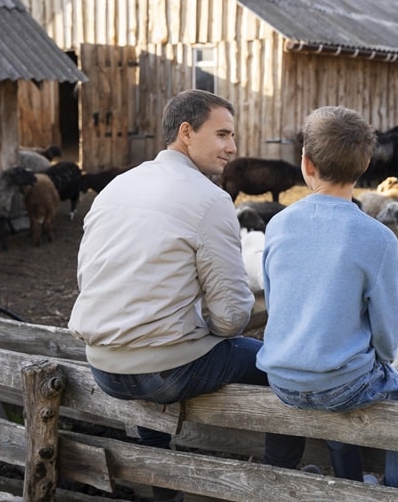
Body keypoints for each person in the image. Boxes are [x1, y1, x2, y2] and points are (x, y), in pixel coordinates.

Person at [68, 89, 305, 502]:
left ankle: (163, 487)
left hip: (102, 365)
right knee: (280, 368)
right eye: (223, 135)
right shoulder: (210, 199)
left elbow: (88, 278)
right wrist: (204, 324)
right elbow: (230, 318)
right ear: (186, 132)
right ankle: (279, 483)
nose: (232, 148)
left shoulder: (116, 188)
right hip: (165, 372)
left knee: (156, 341)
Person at [256, 105, 398, 491]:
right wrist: (380, 361)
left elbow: (275, 298)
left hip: (280, 378)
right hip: (344, 384)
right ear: (365, 164)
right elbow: (387, 331)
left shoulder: (278, 224)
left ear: (306, 163)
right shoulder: (378, 237)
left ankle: (346, 478)